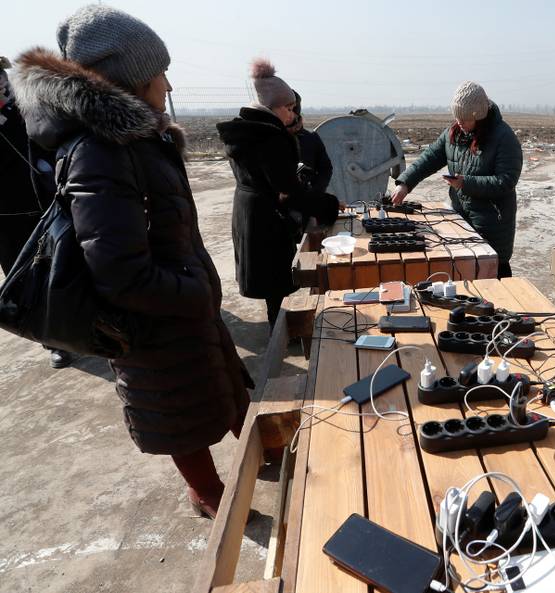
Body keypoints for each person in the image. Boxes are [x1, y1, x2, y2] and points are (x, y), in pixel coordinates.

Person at [13, 4, 251, 518]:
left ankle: (262, 449)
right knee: (176, 407)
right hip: (151, 317)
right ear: (133, 79)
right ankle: (207, 492)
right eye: (161, 72)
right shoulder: (100, 151)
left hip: (179, 300)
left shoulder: (135, 139)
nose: (169, 83)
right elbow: (118, 270)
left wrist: (195, 289)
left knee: (220, 384)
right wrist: (193, 292)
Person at [391, 81, 522, 278]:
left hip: (492, 222)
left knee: (493, 274)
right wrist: (405, 184)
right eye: (457, 117)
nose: (459, 122)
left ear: (479, 116)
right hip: (461, 218)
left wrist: (465, 183)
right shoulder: (454, 133)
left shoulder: (503, 137)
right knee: (464, 273)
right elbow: (429, 159)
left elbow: (506, 181)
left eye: (465, 118)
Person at [217, 60, 307, 329]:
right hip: (265, 214)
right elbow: (283, 183)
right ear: (273, 107)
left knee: (271, 276)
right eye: (288, 108)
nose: (292, 114)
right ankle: (279, 332)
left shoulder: (246, 130)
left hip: (251, 209)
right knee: (275, 276)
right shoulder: (268, 137)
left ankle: (278, 326)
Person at [0, 56, 72, 369]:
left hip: (45, 204)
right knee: (25, 279)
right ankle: (53, 341)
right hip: (6, 217)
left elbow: (50, 138)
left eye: (1, 76)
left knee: (64, 267)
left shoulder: (27, 106)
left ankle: (86, 326)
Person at [287, 90, 333, 198]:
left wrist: (315, 192)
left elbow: (325, 169)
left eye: (290, 109)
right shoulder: (271, 138)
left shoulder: (310, 138)